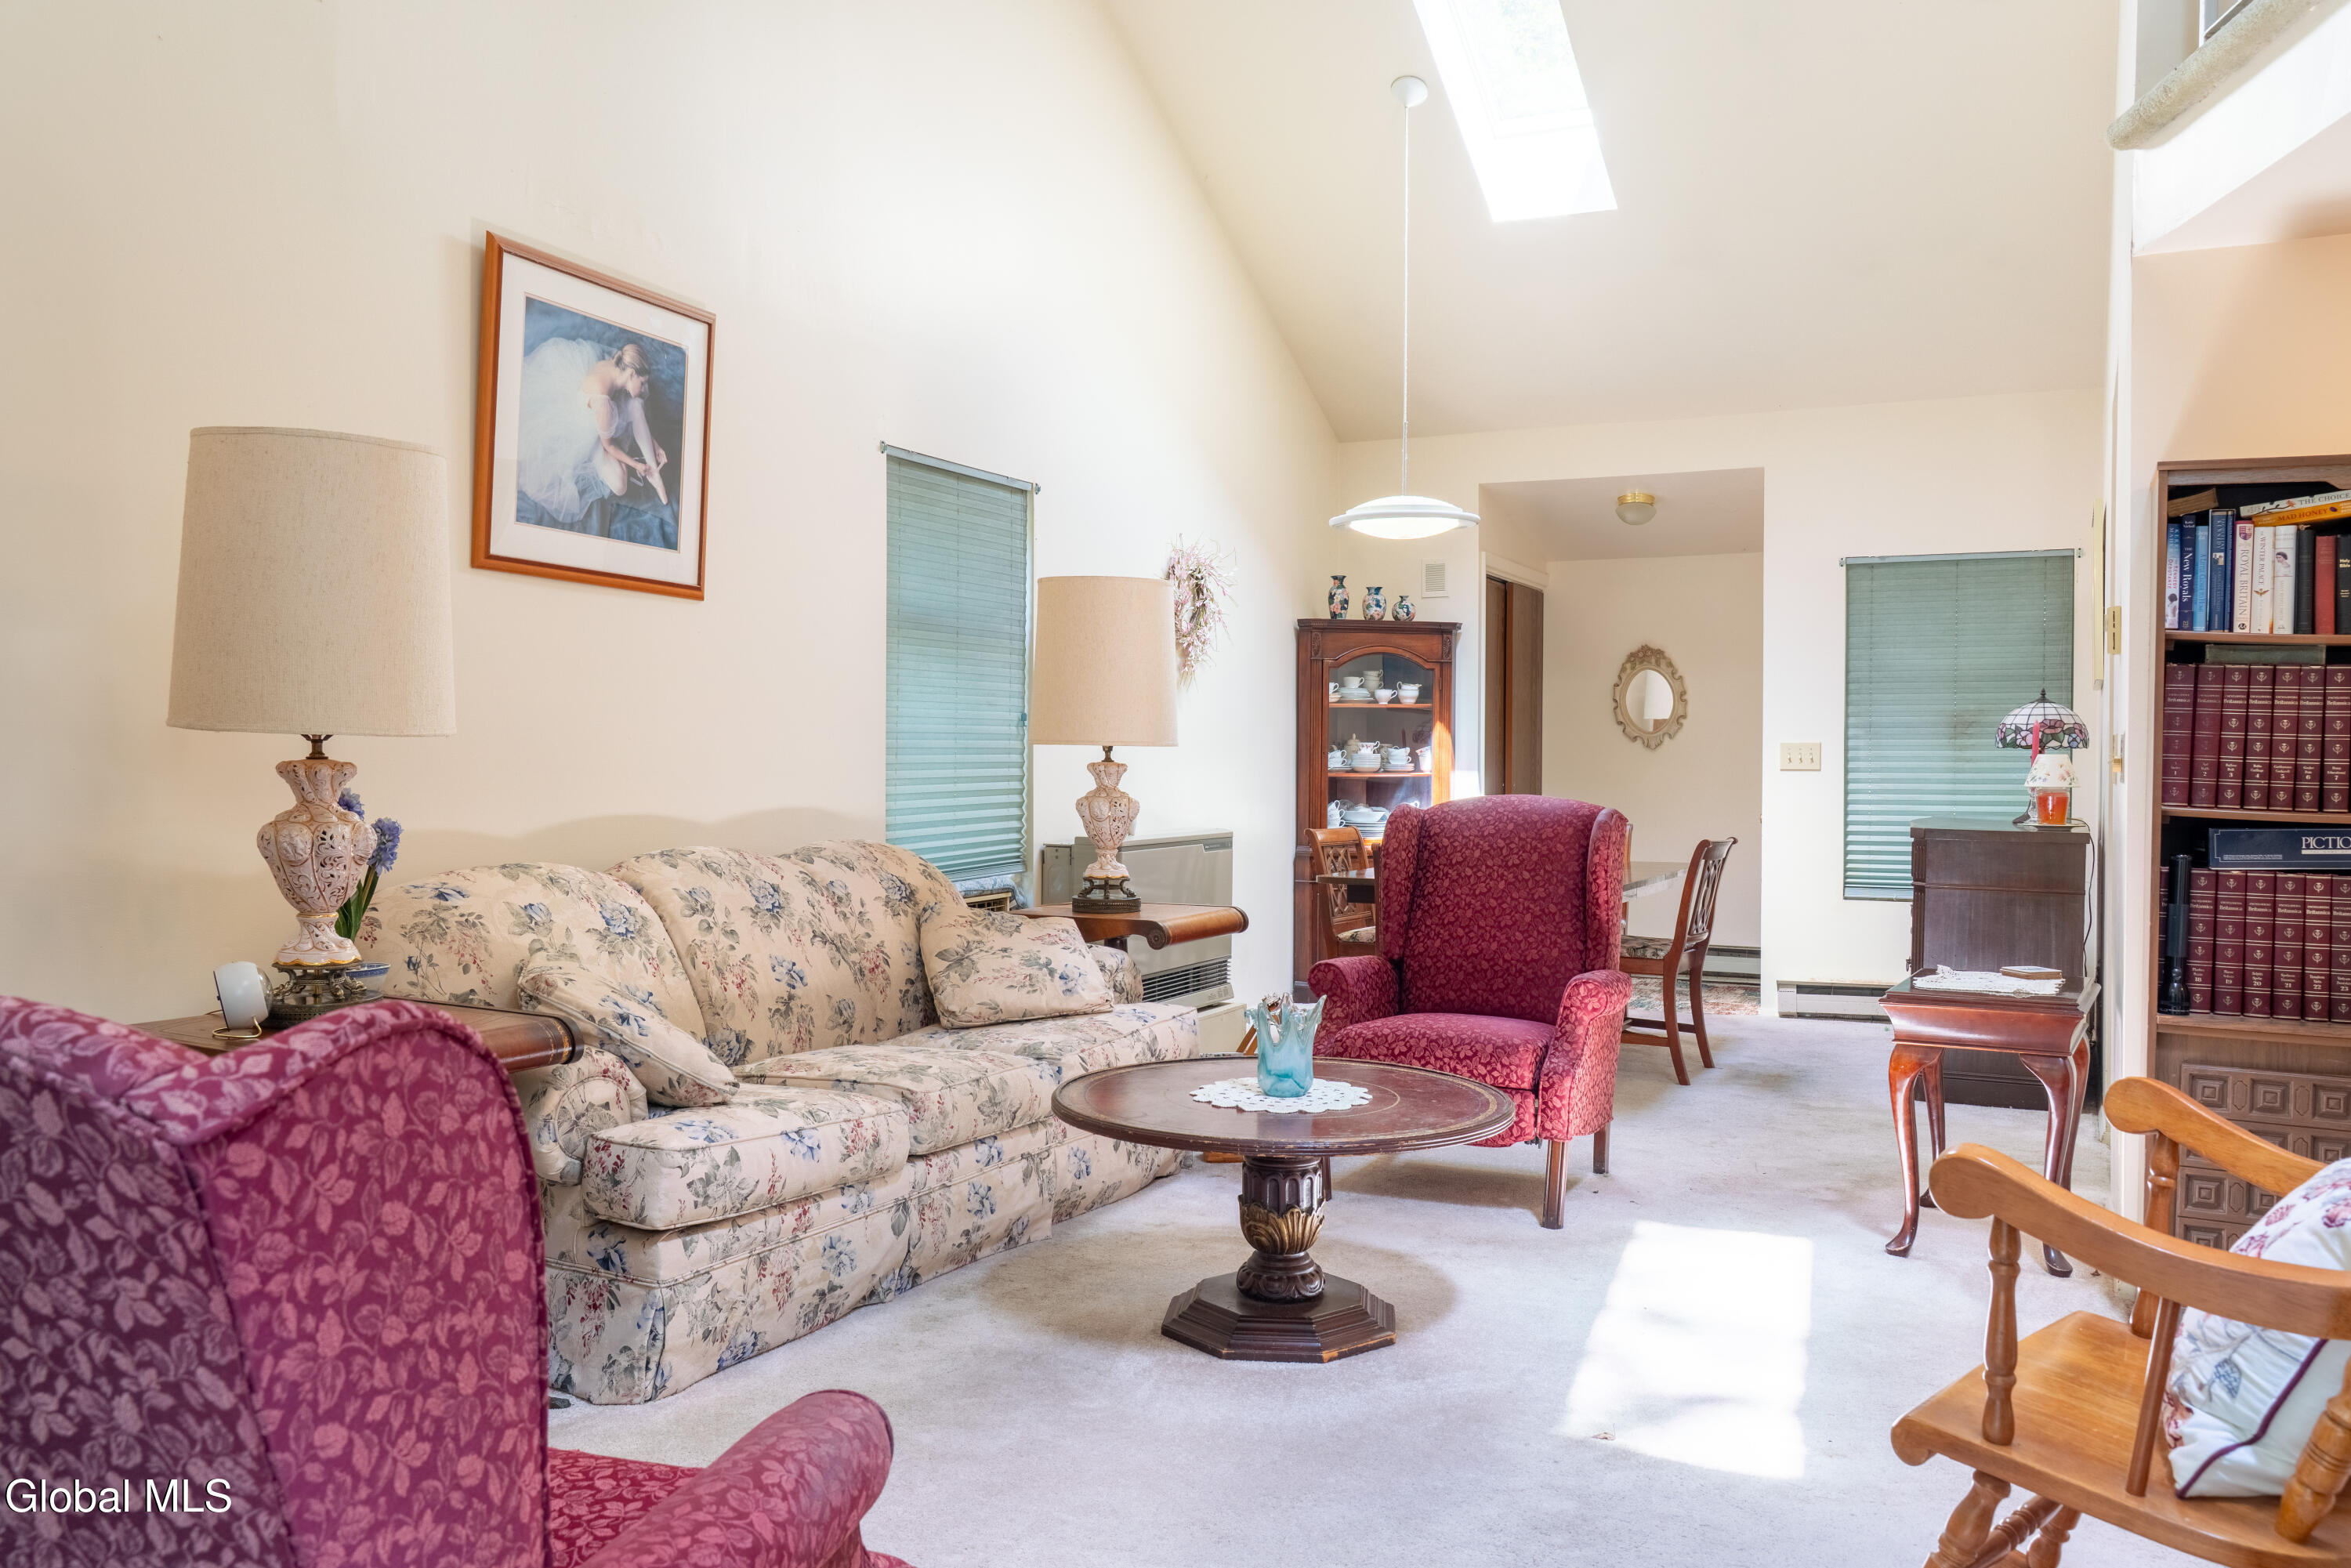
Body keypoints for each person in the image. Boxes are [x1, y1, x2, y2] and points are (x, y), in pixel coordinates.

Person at [516, 338, 670, 529]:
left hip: (606, 416)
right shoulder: (603, 401)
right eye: (643, 382)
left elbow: (625, 402)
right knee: (620, 486)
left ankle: (655, 475)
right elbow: (608, 445)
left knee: (637, 405)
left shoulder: (616, 367)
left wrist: (655, 445)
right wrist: (635, 464)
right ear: (631, 374)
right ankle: (636, 465)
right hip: (593, 435)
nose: (645, 388)